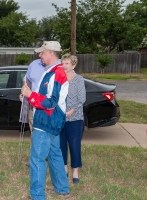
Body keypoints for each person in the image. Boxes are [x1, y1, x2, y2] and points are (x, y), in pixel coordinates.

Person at [21, 41, 70, 200]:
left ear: (50, 52)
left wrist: (30, 95)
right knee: (55, 154)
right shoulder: (53, 71)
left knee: (37, 158)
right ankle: (62, 189)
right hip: (53, 122)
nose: (40, 55)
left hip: (46, 121)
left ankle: (36, 196)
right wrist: (30, 95)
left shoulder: (56, 73)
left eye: (42, 52)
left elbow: (51, 102)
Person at [59, 54, 86, 184]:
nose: (64, 66)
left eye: (67, 63)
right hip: (60, 117)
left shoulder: (78, 79)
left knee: (74, 145)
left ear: (73, 65)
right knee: (61, 145)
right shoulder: (59, 78)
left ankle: (75, 172)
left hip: (75, 118)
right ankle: (64, 169)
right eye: (63, 63)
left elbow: (82, 99)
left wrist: (70, 112)